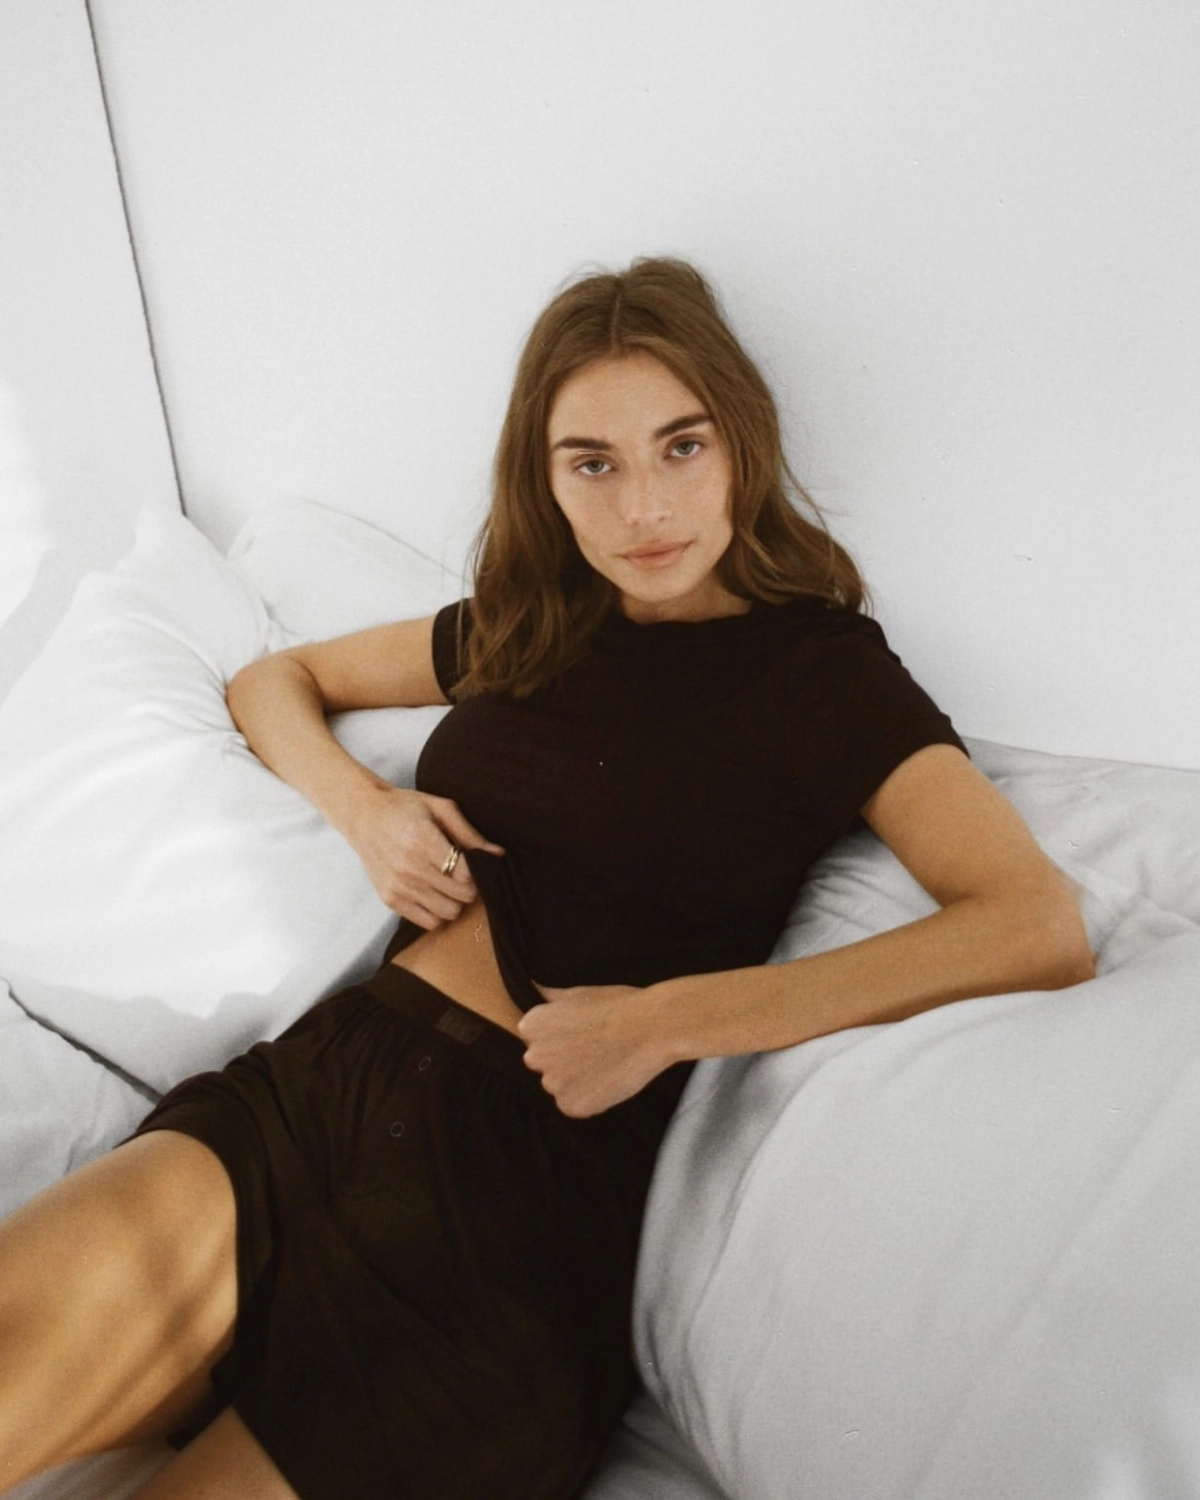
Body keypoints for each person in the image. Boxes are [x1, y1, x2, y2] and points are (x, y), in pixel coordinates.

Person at [0, 258, 1094, 1500]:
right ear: (546, 479)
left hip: (517, 1235)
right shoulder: (529, 625)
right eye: (594, 464)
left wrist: (666, 1022)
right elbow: (274, 680)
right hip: (325, 1093)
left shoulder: (823, 677)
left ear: (741, 444)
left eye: (681, 447)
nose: (645, 508)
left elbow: (1034, 923)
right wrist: (368, 811)